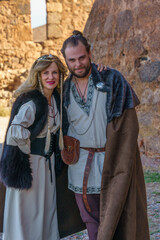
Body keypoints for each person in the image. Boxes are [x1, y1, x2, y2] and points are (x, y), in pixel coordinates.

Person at [61, 30, 150, 240]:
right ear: (65, 60)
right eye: (71, 60)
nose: (78, 64)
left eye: (82, 57)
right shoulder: (63, 89)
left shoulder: (111, 79)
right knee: (92, 223)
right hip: (79, 167)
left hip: (111, 165)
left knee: (117, 221)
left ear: (90, 54)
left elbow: (128, 127)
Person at [0, 54, 85, 240]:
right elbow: (15, 130)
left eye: (54, 72)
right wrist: (29, 147)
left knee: (45, 212)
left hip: (47, 168)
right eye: (46, 72)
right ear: (38, 75)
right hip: (30, 166)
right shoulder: (32, 102)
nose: (50, 77)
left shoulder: (56, 99)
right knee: (27, 214)